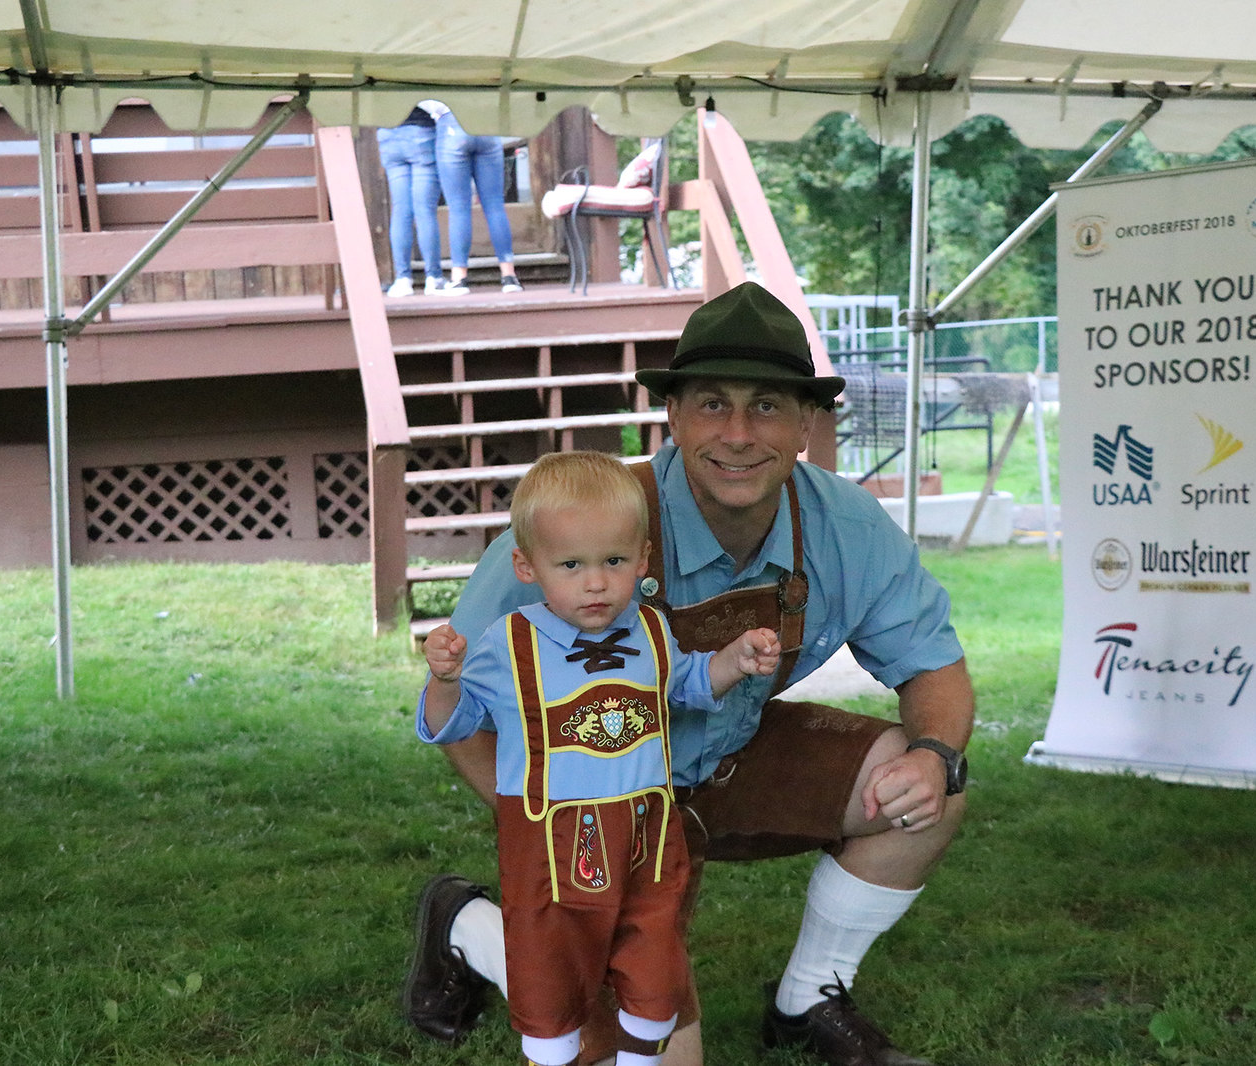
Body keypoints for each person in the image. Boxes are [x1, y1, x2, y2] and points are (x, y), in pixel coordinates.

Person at [403, 282, 975, 1066]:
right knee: (658, 1059)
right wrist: (539, 824)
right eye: (712, 404)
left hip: (733, 758)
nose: (738, 434)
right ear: (671, 416)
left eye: (767, 406)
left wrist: (932, 756)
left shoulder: (845, 525)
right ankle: (466, 924)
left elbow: (935, 666)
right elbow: (458, 699)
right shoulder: (586, 523)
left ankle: (808, 999)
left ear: (806, 422)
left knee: (930, 794)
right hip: (598, 806)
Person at [416, 450, 781, 1066]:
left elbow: (687, 683)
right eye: (571, 565)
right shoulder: (509, 644)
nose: (595, 582)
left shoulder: (650, 629)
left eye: (613, 561)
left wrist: (732, 661)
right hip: (551, 847)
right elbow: (449, 724)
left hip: (647, 838)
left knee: (654, 961)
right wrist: (447, 680)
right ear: (527, 567)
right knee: (553, 970)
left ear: (642, 560)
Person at [433, 104, 523, 294]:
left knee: (458, 208)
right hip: (486, 124)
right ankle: (509, 277)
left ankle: (459, 279)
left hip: (451, 123)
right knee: (495, 205)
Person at [376, 101, 462, 298]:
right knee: (424, 210)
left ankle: (403, 279)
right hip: (420, 131)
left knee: (401, 211)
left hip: (388, 134)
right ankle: (433, 278)